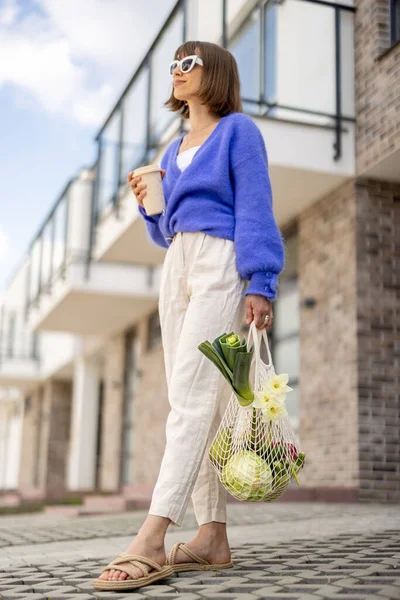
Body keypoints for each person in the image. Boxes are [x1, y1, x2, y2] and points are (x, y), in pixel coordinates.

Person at [93, 40, 284, 592]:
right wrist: (149, 204)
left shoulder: (238, 131)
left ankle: (151, 537)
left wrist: (261, 281)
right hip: (178, 262)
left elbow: (254, 206)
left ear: (214, 73)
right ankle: (212, 537)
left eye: (187, 64)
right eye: (173, 65)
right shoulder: (175, 145)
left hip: (221, 260)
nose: (176, 73)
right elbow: (166, 231)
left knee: (195, 398)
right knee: (188, 400)